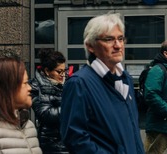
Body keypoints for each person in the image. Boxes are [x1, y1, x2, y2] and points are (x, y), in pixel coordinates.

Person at [60, 13, 144, 153]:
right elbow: (75, 139)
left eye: (120, 38)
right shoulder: (79, 83)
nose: (117, 45)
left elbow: (133, 131)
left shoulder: (126, 79)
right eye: (109, 39)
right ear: (90, 46)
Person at [30, 50, 68, 153]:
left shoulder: (67, 83)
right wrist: (70, 109)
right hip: (50, 142)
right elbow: (45, 114)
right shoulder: (35, 86)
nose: (63, 75)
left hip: (67, 140)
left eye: (64, 71)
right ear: (47, 71)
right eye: (59, 72)